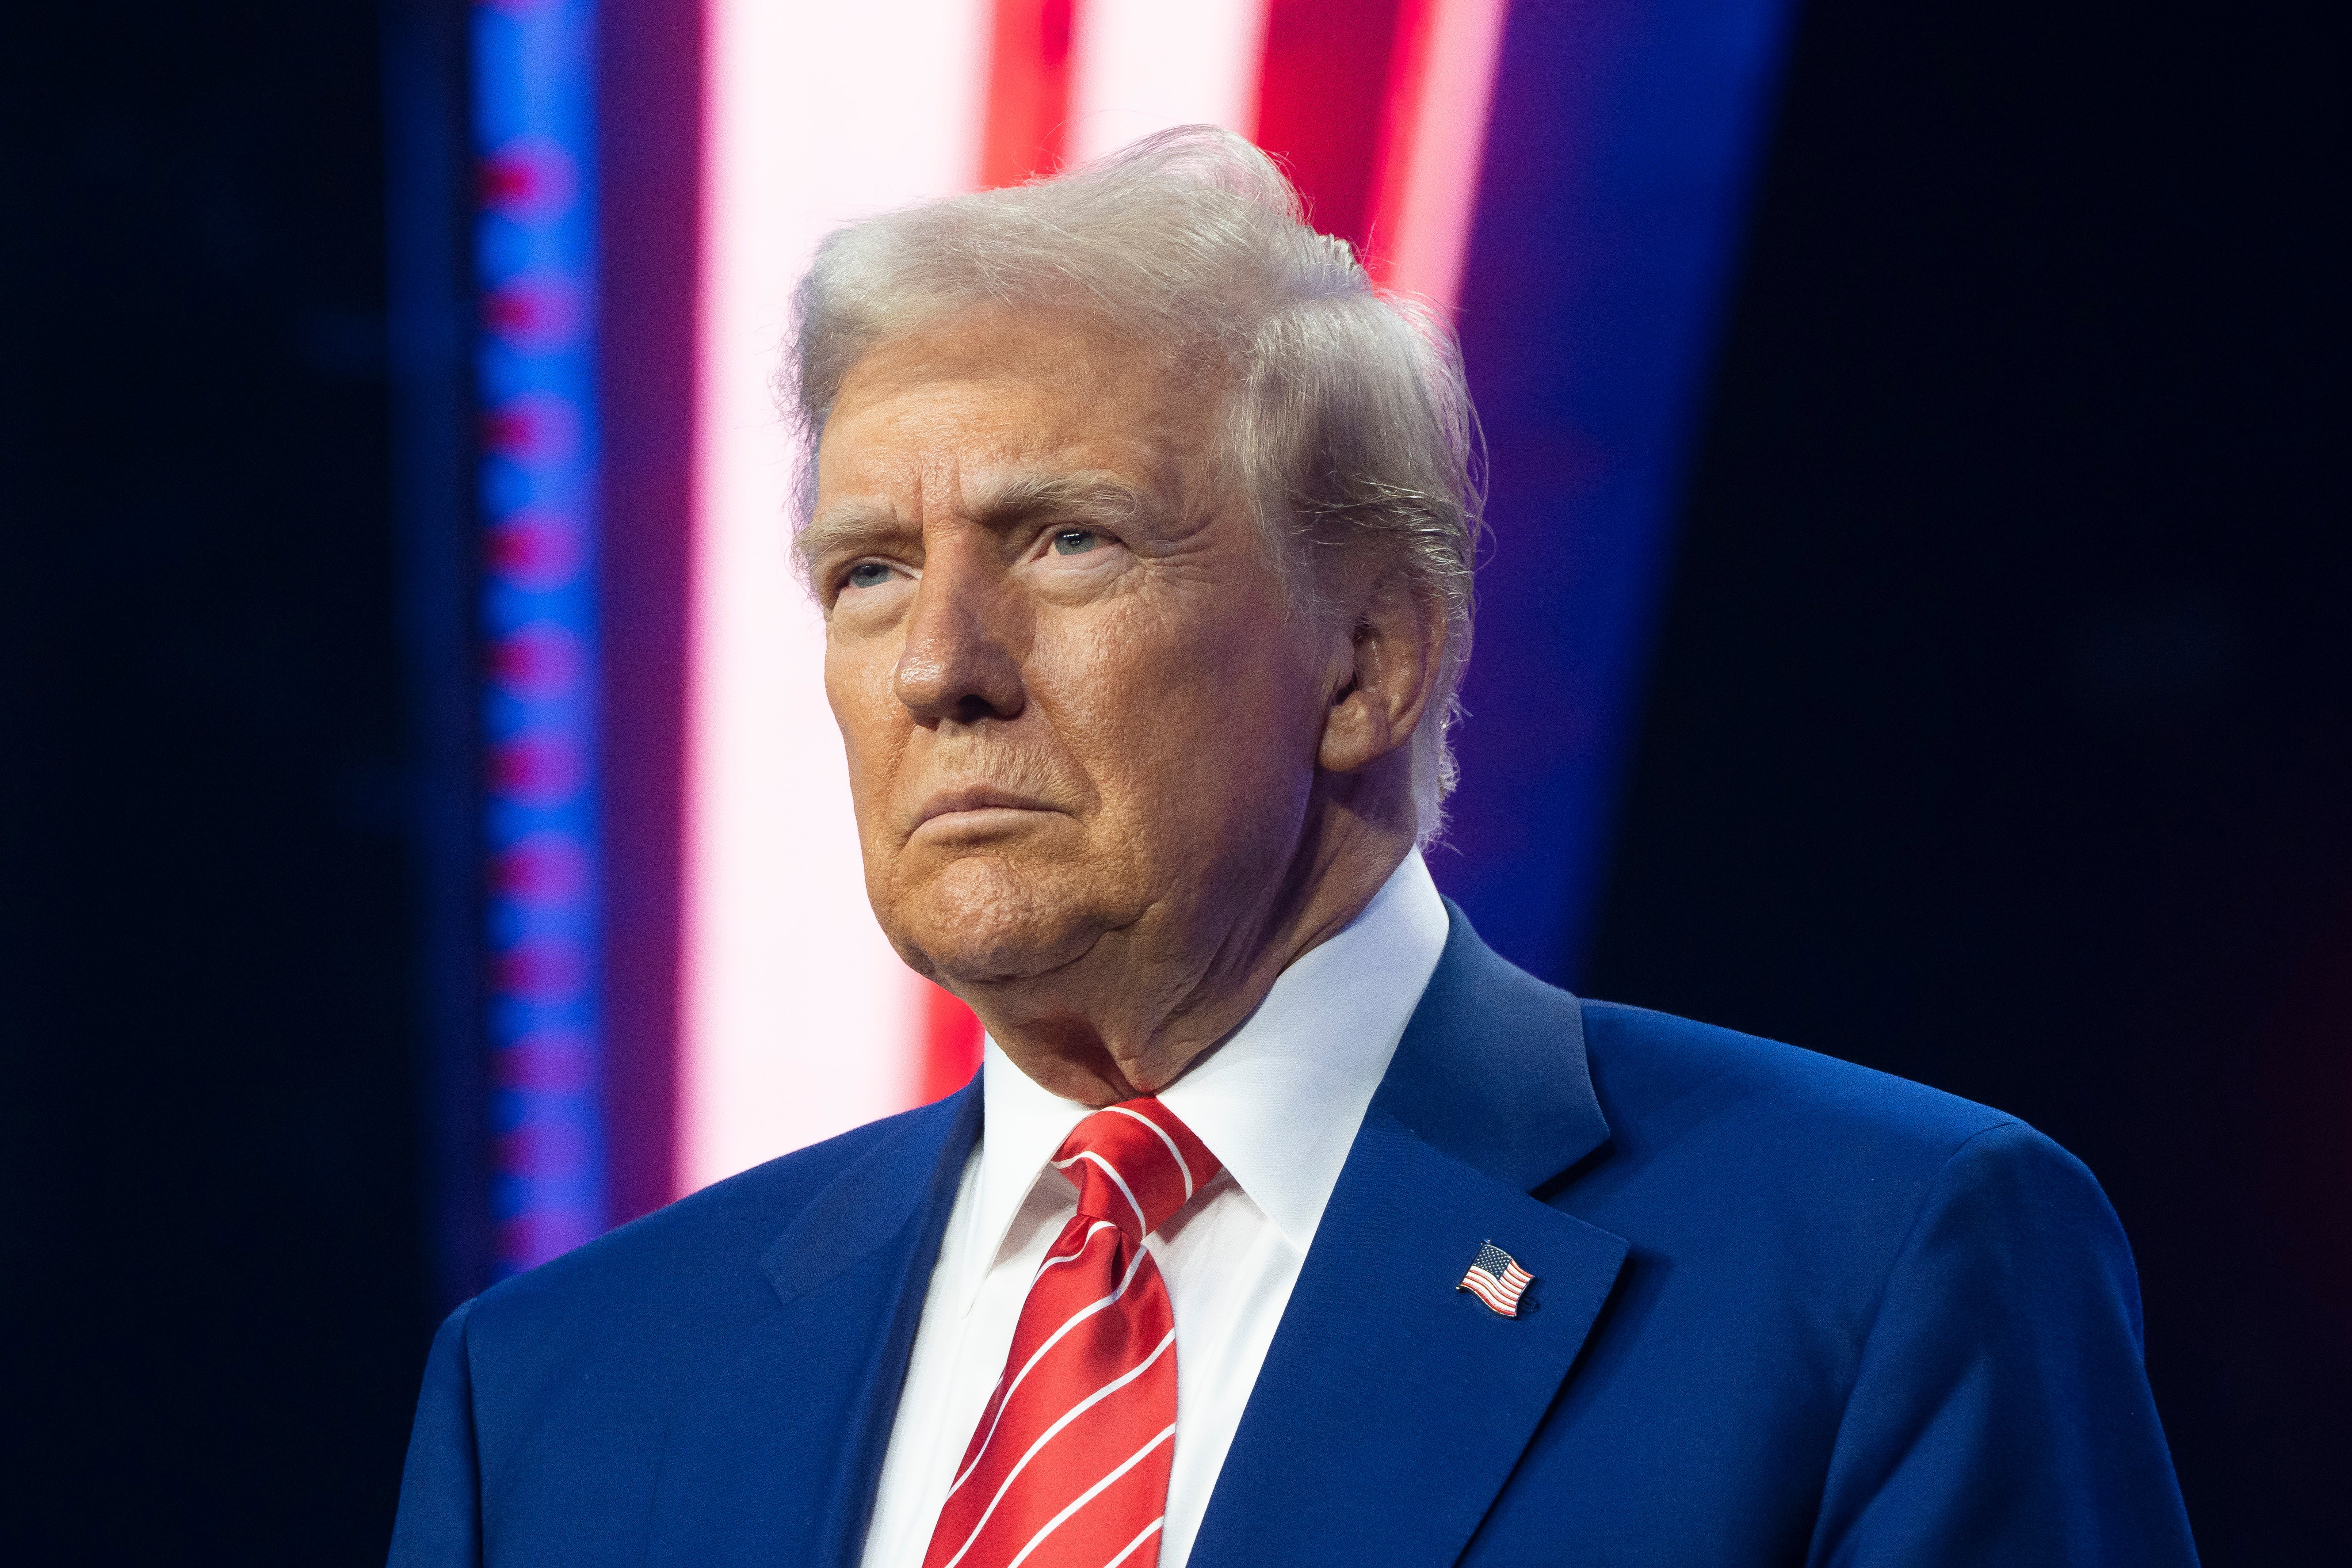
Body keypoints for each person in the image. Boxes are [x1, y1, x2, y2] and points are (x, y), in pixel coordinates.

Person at [387, 128, 2197, 1567]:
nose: (941, 662)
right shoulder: (559, 1389)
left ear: (1368, 657)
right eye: (868, 571)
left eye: (1068, 540)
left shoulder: (1875, 1266)